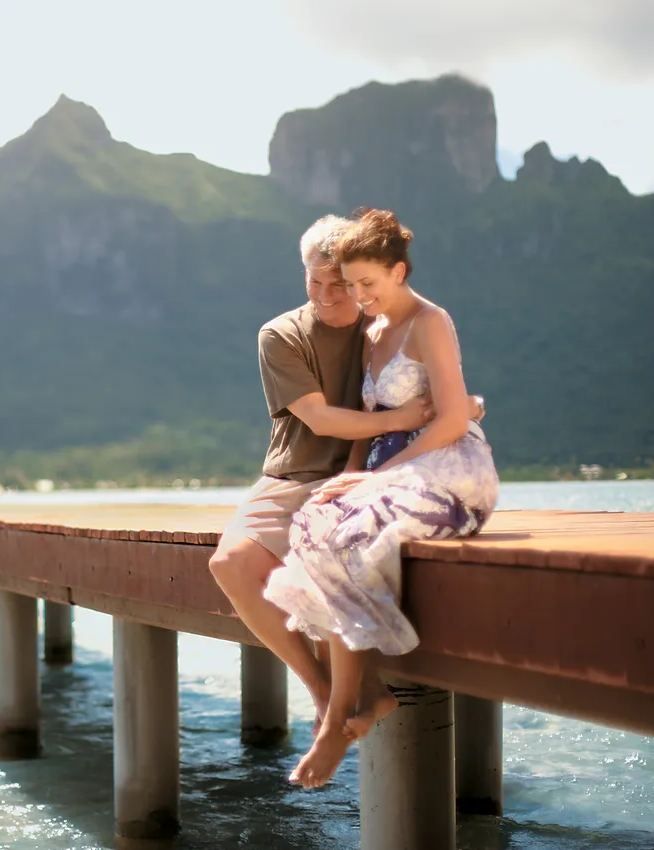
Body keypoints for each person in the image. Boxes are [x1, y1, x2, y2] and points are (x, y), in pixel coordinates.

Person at [208, 214, 484, 741]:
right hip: (293, 473)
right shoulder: (281, 335)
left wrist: (461, 410)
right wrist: (403, 420)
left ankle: (359, 694)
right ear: (303, 274)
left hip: (370, 473)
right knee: (230, 563)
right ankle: (322, 692)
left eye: (342, 284)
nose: (330, 294)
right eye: (316, 281)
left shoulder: (382, 323)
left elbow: (438, 391)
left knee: (328, 556)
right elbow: (321, 418)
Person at [263, 208, 500, 789]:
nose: (359, 296)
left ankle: (336, 722)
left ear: (398, 271)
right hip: (387, 468)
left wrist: (375, 478)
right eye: (352, 285)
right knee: (320, 521)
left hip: (448, 467)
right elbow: (371, 425)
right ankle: (355, 703)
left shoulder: (430, 322)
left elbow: (448, 421)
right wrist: (348, 478)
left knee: (349, 535)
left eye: (367, 283)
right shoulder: (370, 334)